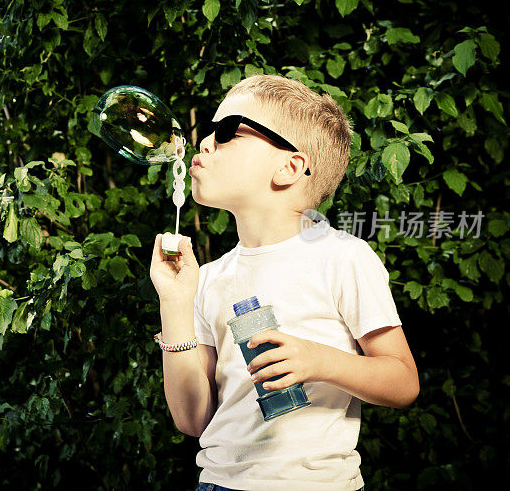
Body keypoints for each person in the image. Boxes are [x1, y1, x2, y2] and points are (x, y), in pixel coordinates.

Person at [149, 74, 419, 491]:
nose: (204, 143)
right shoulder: (208, 277)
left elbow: (402, 381)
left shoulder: (342, 257)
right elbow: (192, 419)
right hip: (219, 484)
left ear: (289, 166)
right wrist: (175, 303)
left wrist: (319, 360)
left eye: (225, 132)